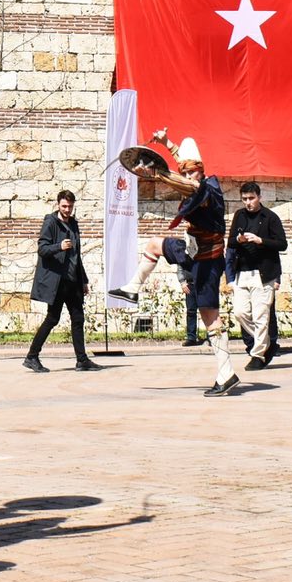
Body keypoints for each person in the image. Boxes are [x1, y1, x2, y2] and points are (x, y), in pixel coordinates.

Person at [112, 132, 232, 395]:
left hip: (208, 262)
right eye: (185, 172)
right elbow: (183, 169)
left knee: (210, 318)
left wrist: (156, 173)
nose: (188, 176)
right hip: (192, 251)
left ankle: (227, 373)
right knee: (154, 245)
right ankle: (132, 288)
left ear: (201, 170)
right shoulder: (195, 181)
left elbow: (190, 186)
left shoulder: (208, 189)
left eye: (192, 172)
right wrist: (167, 143)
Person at [24, 189, 92, 372]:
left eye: (70, 206)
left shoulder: (74, 224)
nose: (67, 210)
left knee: (78, 318)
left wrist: (83, 280)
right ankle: (31, 356)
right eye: (64, 206)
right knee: (52, 318)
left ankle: (82, 360)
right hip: (58, 281)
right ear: (58, 204)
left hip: (73, 280)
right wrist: (59, 246)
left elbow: (77, 255)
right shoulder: (51, 222)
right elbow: (42, 249)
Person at [227, 180, 288, 369]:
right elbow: (230, 242)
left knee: (261, 316)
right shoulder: (239, 215)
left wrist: (261, 240)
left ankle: (258, 355)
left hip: (263, 274)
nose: (248, 202)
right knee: (240, 313)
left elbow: (282, 244)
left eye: (251, 198)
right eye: (244, 199)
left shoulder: (270, 217)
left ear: (259, 197)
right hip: (242, 272)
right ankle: (267, 343)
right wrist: (239, 239)